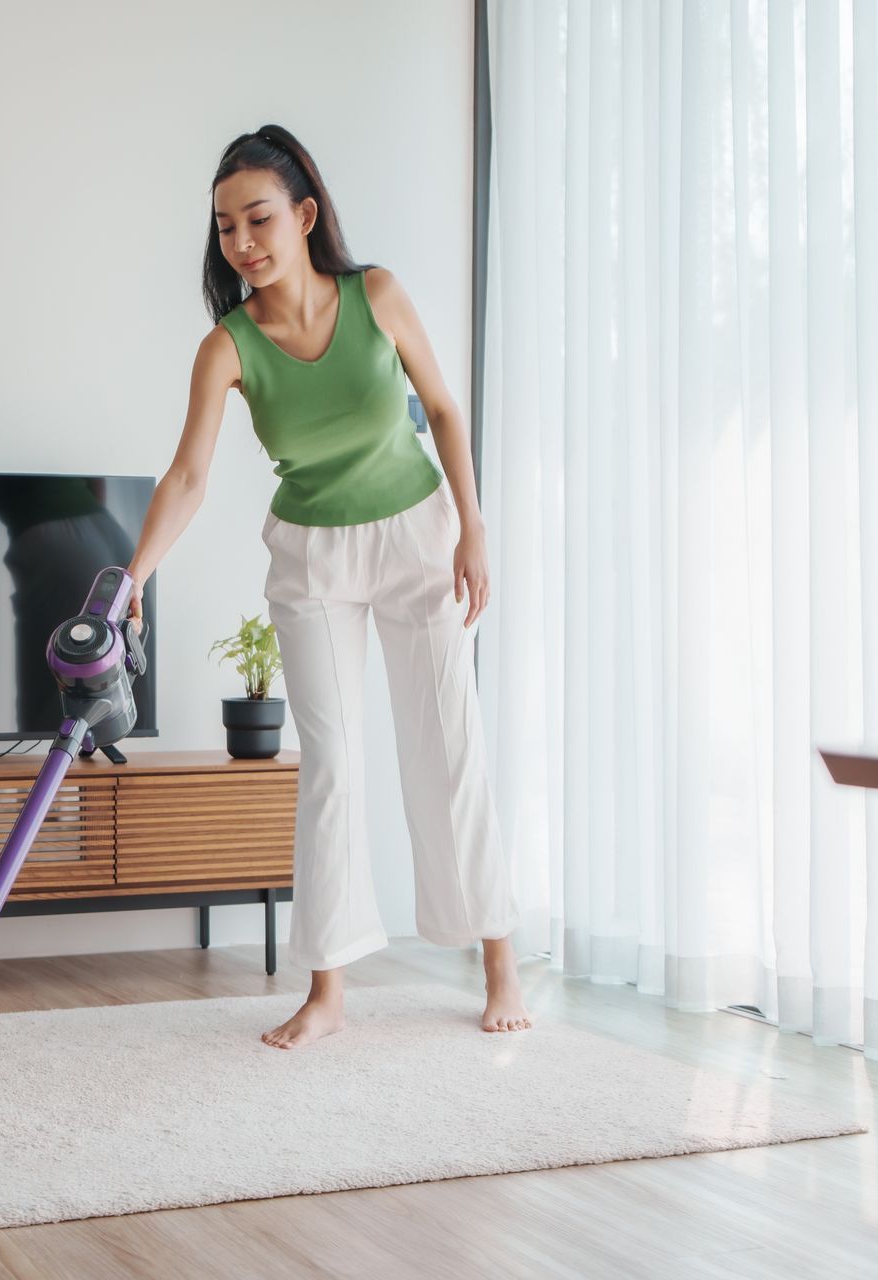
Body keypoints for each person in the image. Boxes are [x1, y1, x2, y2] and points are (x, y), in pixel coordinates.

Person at [125, 125, 531, 1050]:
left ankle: (499, 957)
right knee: (333, 767)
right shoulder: (226, 345)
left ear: (305, 215)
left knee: (446, 746)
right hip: (311, 559)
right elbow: (186, 477)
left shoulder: (376, 295)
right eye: (225, 226)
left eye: (258, 218)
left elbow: (442, 407)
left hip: (417, 536)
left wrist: (474, 527)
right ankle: (329, 990)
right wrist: (137, 573)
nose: (242, 242)